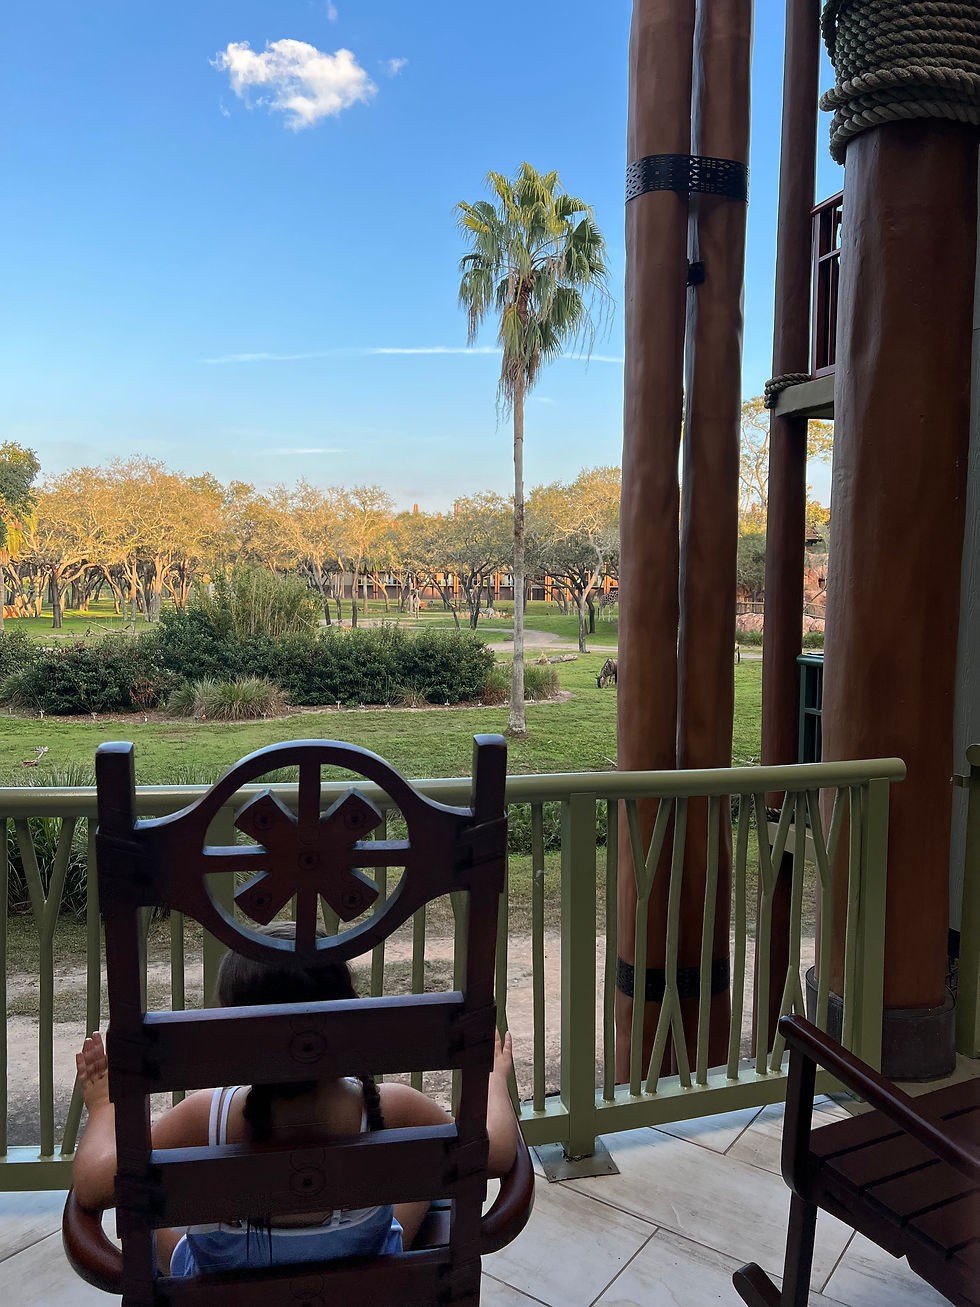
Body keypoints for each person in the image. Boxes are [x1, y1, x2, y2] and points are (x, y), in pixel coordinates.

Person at [72, 922, 518, 1275]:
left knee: (164, 1222)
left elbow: (93, 1186)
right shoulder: (391, 1108)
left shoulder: (205, 1117)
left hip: (225, 1292)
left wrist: (103, 1107)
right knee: (419, 1171)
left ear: (230, 1040)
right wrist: (492, 1081)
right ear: (348, 1021)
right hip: (357, 1281)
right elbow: (496, 1151)